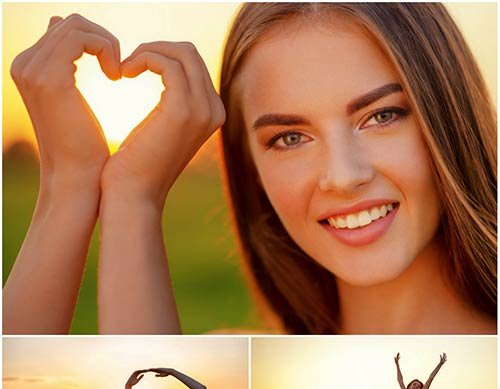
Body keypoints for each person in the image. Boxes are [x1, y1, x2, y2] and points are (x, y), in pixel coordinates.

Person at [5, 8, 496, 338]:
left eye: (382, 115)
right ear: (253, 171)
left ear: (448, 115)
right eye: (289, 137)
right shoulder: (239, 371)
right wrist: (79, 187)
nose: (343, 176)